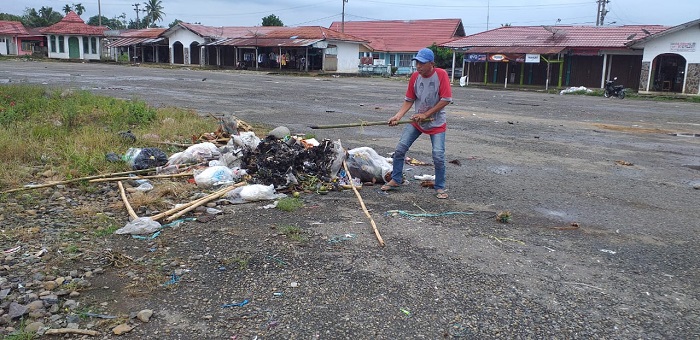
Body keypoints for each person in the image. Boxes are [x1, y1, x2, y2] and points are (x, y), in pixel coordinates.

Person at [381, 48, 452, 199]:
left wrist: (426, 114)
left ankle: (440, 186)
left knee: (438, 155)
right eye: (417, 63)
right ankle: (396, 179)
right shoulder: (415, 77)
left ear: (431, 64)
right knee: (400, 150)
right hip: (417, 122)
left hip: (436, 123)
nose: (418, 66)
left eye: (422, 63)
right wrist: (398, 116)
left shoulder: (441, 75)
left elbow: (446, 99)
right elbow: (409, 99)